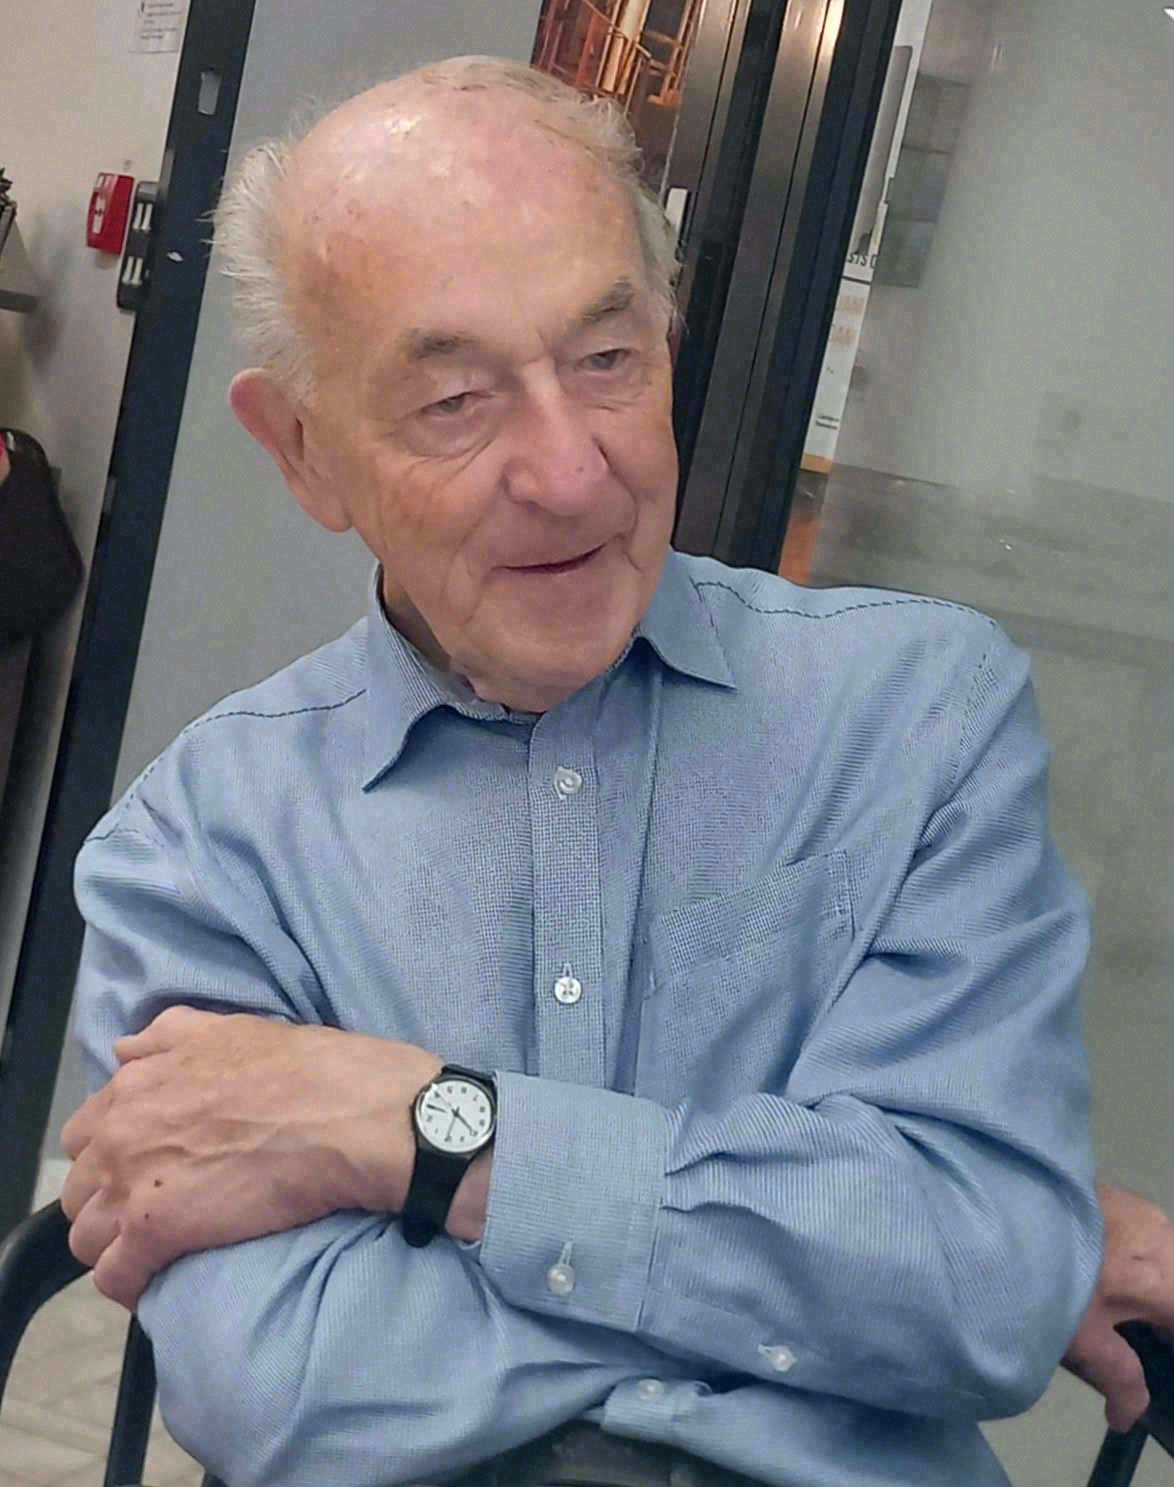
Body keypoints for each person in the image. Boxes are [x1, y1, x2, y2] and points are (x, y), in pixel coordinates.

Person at [55, 55, 1163, 1487]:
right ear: (306, 453)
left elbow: (976, 1285)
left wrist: (410, 1129)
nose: (573, 476)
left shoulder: (912, 717)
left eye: (607, 361)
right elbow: (279, 1387)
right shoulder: (202, 847)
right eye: (455, 400)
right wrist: (832, 1275)